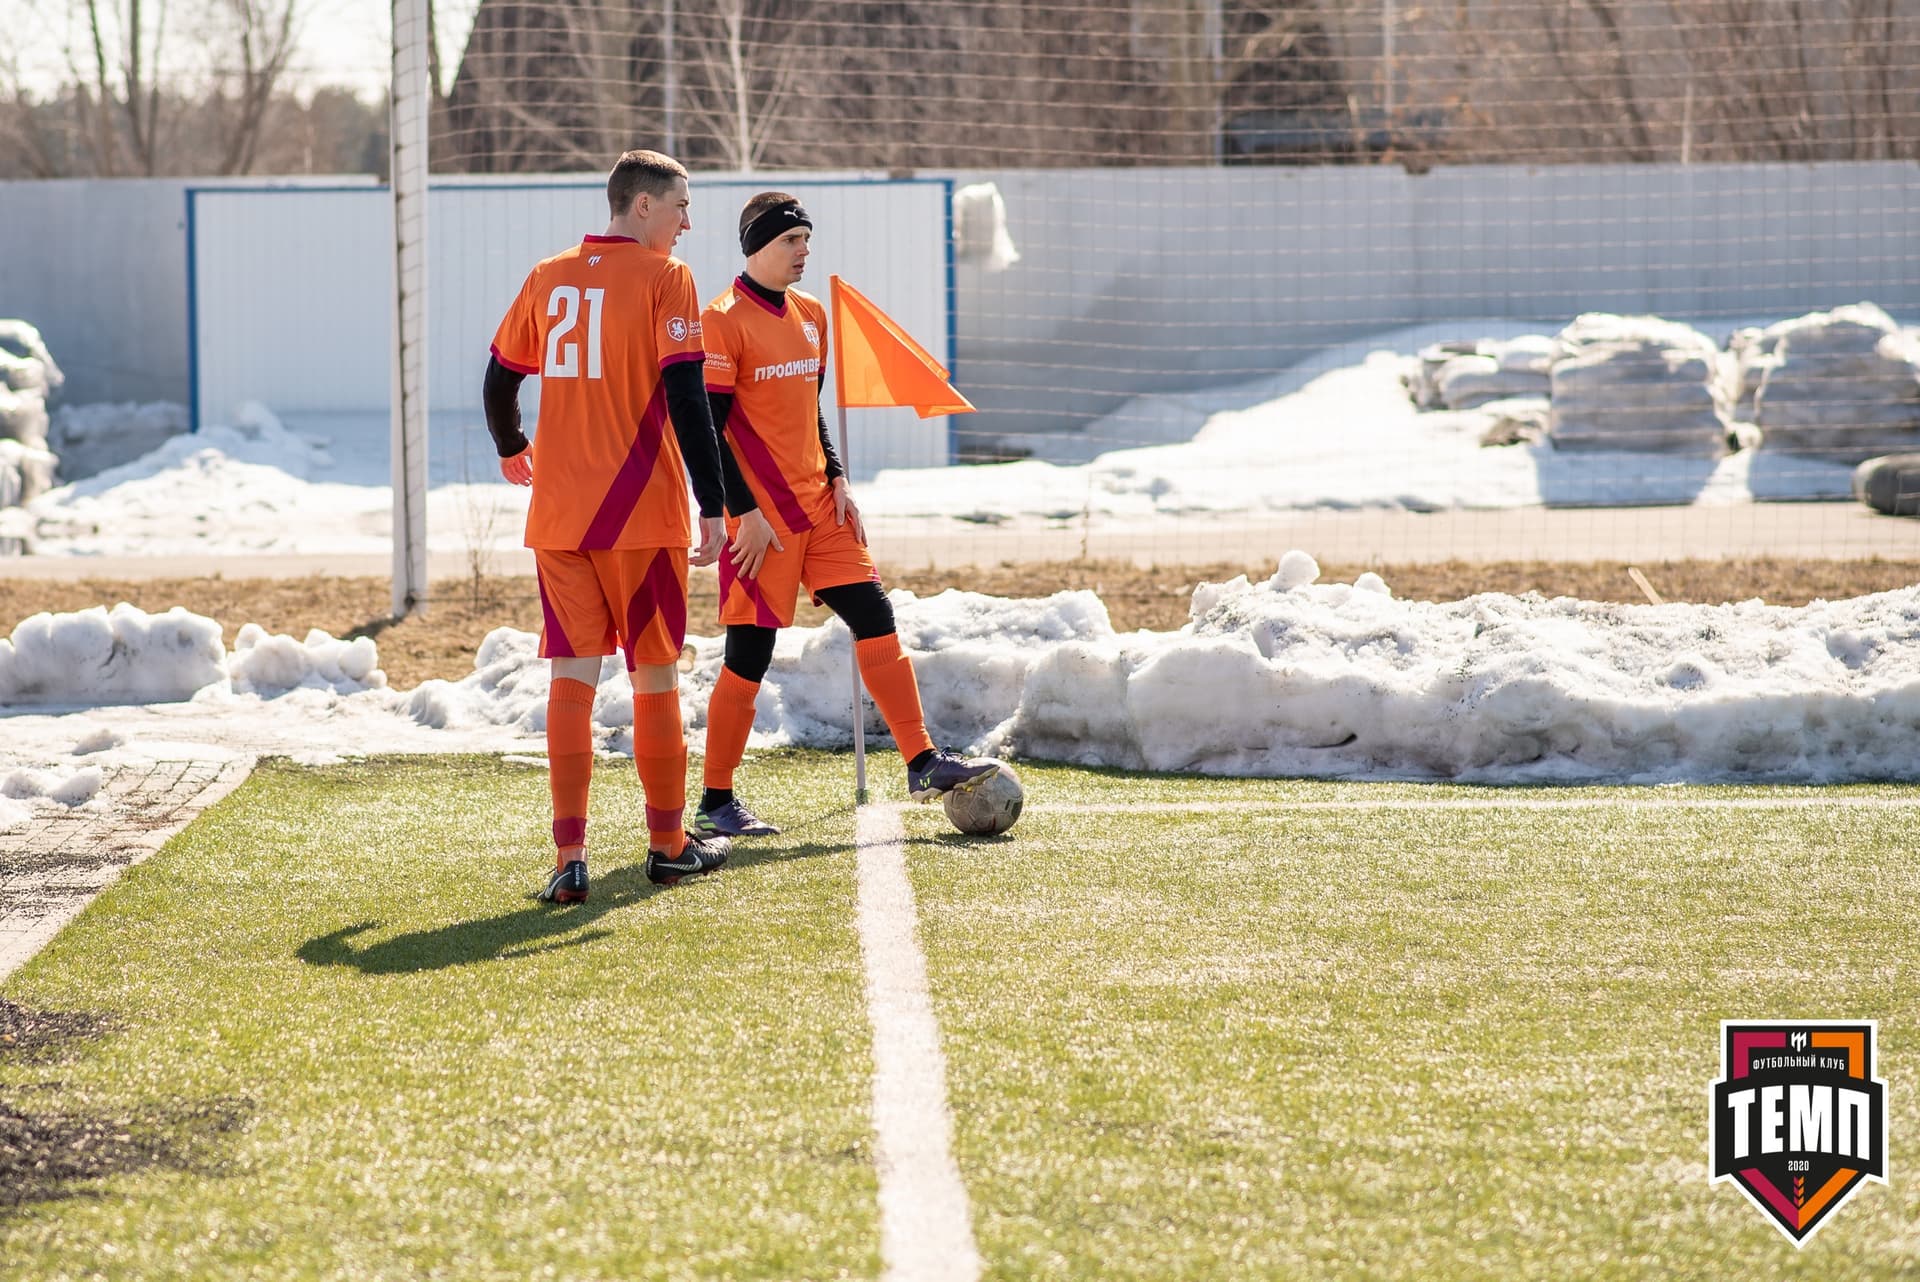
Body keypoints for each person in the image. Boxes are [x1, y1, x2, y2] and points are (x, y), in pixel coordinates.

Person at [693, 191, 1000, 839]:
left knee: (874, 614)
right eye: (791, 241)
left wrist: (837, 476)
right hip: (762, 523)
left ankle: (921, 761)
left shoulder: (811, 315)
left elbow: (809, 410)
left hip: (821, 509)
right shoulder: (720, 321)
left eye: (806, 238)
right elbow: (710, 431)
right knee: (749, 655)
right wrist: (741, 512)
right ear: (756, 246)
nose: (804, 250)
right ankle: (715, 801)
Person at [482, 149, 734, 902]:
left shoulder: (549, 272)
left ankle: (570, 859)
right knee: (653, 674)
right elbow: (688, 397)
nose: (689, 221)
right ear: (644, 206)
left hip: (558, 515)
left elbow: (499, 378)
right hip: (638, 514)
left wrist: (511, 448)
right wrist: (714, 503)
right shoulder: (667, 278)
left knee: (571, 678)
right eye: (682, 205)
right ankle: (667, 846)